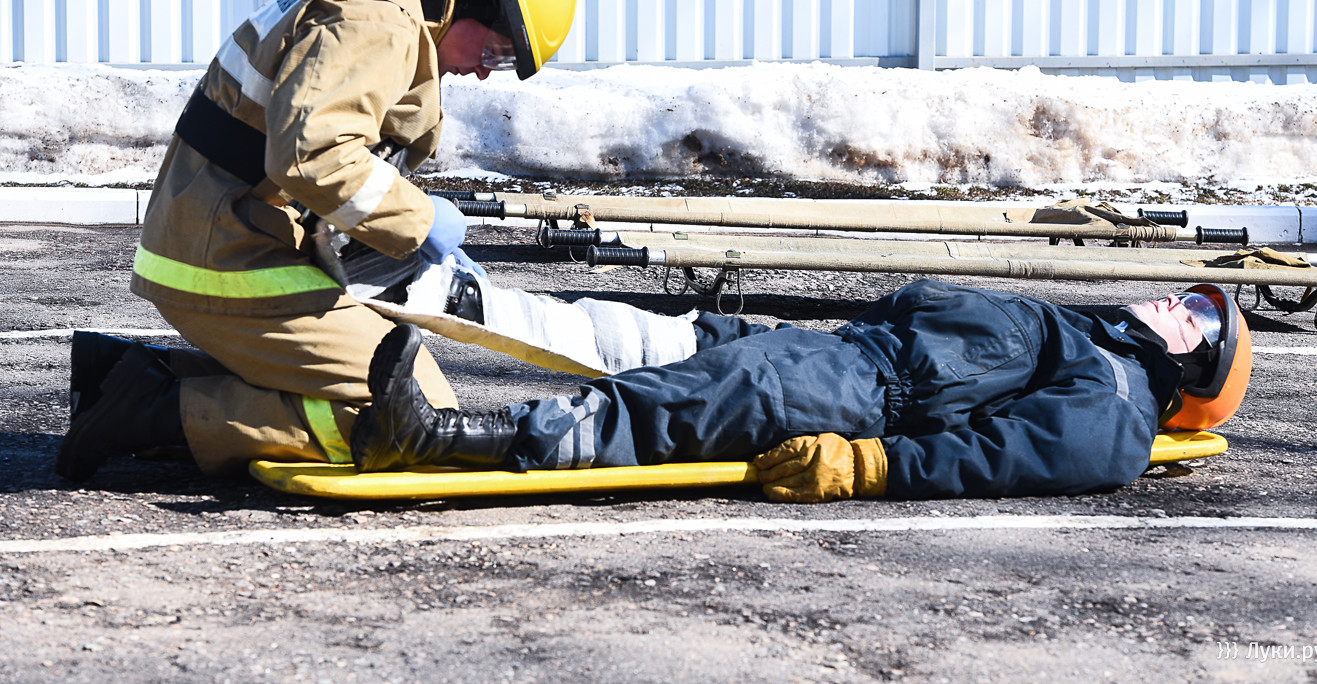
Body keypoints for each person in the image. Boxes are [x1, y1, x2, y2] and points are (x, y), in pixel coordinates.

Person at [56, 0, 578, 482]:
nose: (483, 71)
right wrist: (421, 220)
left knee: (394, 392)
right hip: (228, 257)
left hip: (219, 234)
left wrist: (402, 236)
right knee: (410, 413)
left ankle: (121, 378)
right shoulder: (379, 22)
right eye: (497, 52)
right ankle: (147, 413)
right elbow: (312, 155)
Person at [351, 279, 1252, 503]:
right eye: (1193, 297)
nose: (1180, 304)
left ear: (1192, 374)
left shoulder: (1116, 400)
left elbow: (1012, 454)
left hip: (858, 392)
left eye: (1197, 321)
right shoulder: (1087, 339)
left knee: (670, 410)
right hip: (843, 352)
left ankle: (438, 438)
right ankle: (459, 300)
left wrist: (872, 467)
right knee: (672, 341)